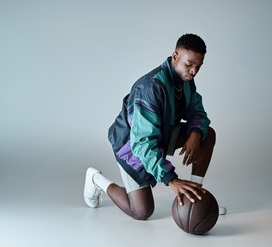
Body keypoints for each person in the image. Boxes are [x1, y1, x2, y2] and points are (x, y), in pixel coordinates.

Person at [84, 33, 226, 220]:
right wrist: (171, 179)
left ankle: (195, 197)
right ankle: (96, 180)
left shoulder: (186, 81)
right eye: (189, 64)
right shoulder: (150, 89)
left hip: (162, 135)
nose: (193, 71)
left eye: (198, 66)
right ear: (175, 56)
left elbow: (197, 111)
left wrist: (195, 133)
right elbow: (142, 143)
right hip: (132, 145)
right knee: (141, 211)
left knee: (208, 135)